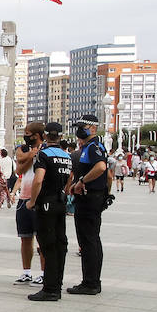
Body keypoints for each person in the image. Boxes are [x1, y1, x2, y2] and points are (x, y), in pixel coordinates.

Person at [27, 121, 72, 301]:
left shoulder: (43, 155)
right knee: (61, 245)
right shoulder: (66, 155)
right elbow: (70, 177)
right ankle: (57, 285)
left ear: (45, 135)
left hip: (46, 203)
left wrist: (32, 201)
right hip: (60, 203)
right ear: (61, 136)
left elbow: (38, 180)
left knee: (48, 245)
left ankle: (50, 289)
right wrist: (65, 191)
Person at [66, 113, 109, 296]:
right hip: (93, 197)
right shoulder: (92, 147)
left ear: (93, 128)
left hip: (89, 198)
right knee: (92, 239)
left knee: (88, 240)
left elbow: (101, 168)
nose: (79, 130)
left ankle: (90, 283)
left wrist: (81, 181)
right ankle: (92, 280)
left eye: (82, 126)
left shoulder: (93, 147)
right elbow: (108, 176)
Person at [12, 122, 44, 285]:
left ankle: (44, 273)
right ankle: (26, 272)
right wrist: (31, 156)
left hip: (39, 199)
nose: (25, 135)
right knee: (25, 238)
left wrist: (33, 155)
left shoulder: (46, 150)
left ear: (37, 135)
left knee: (42, 238)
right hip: (23, 198)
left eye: (28, 133)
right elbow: (19, 168)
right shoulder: (23, 148)